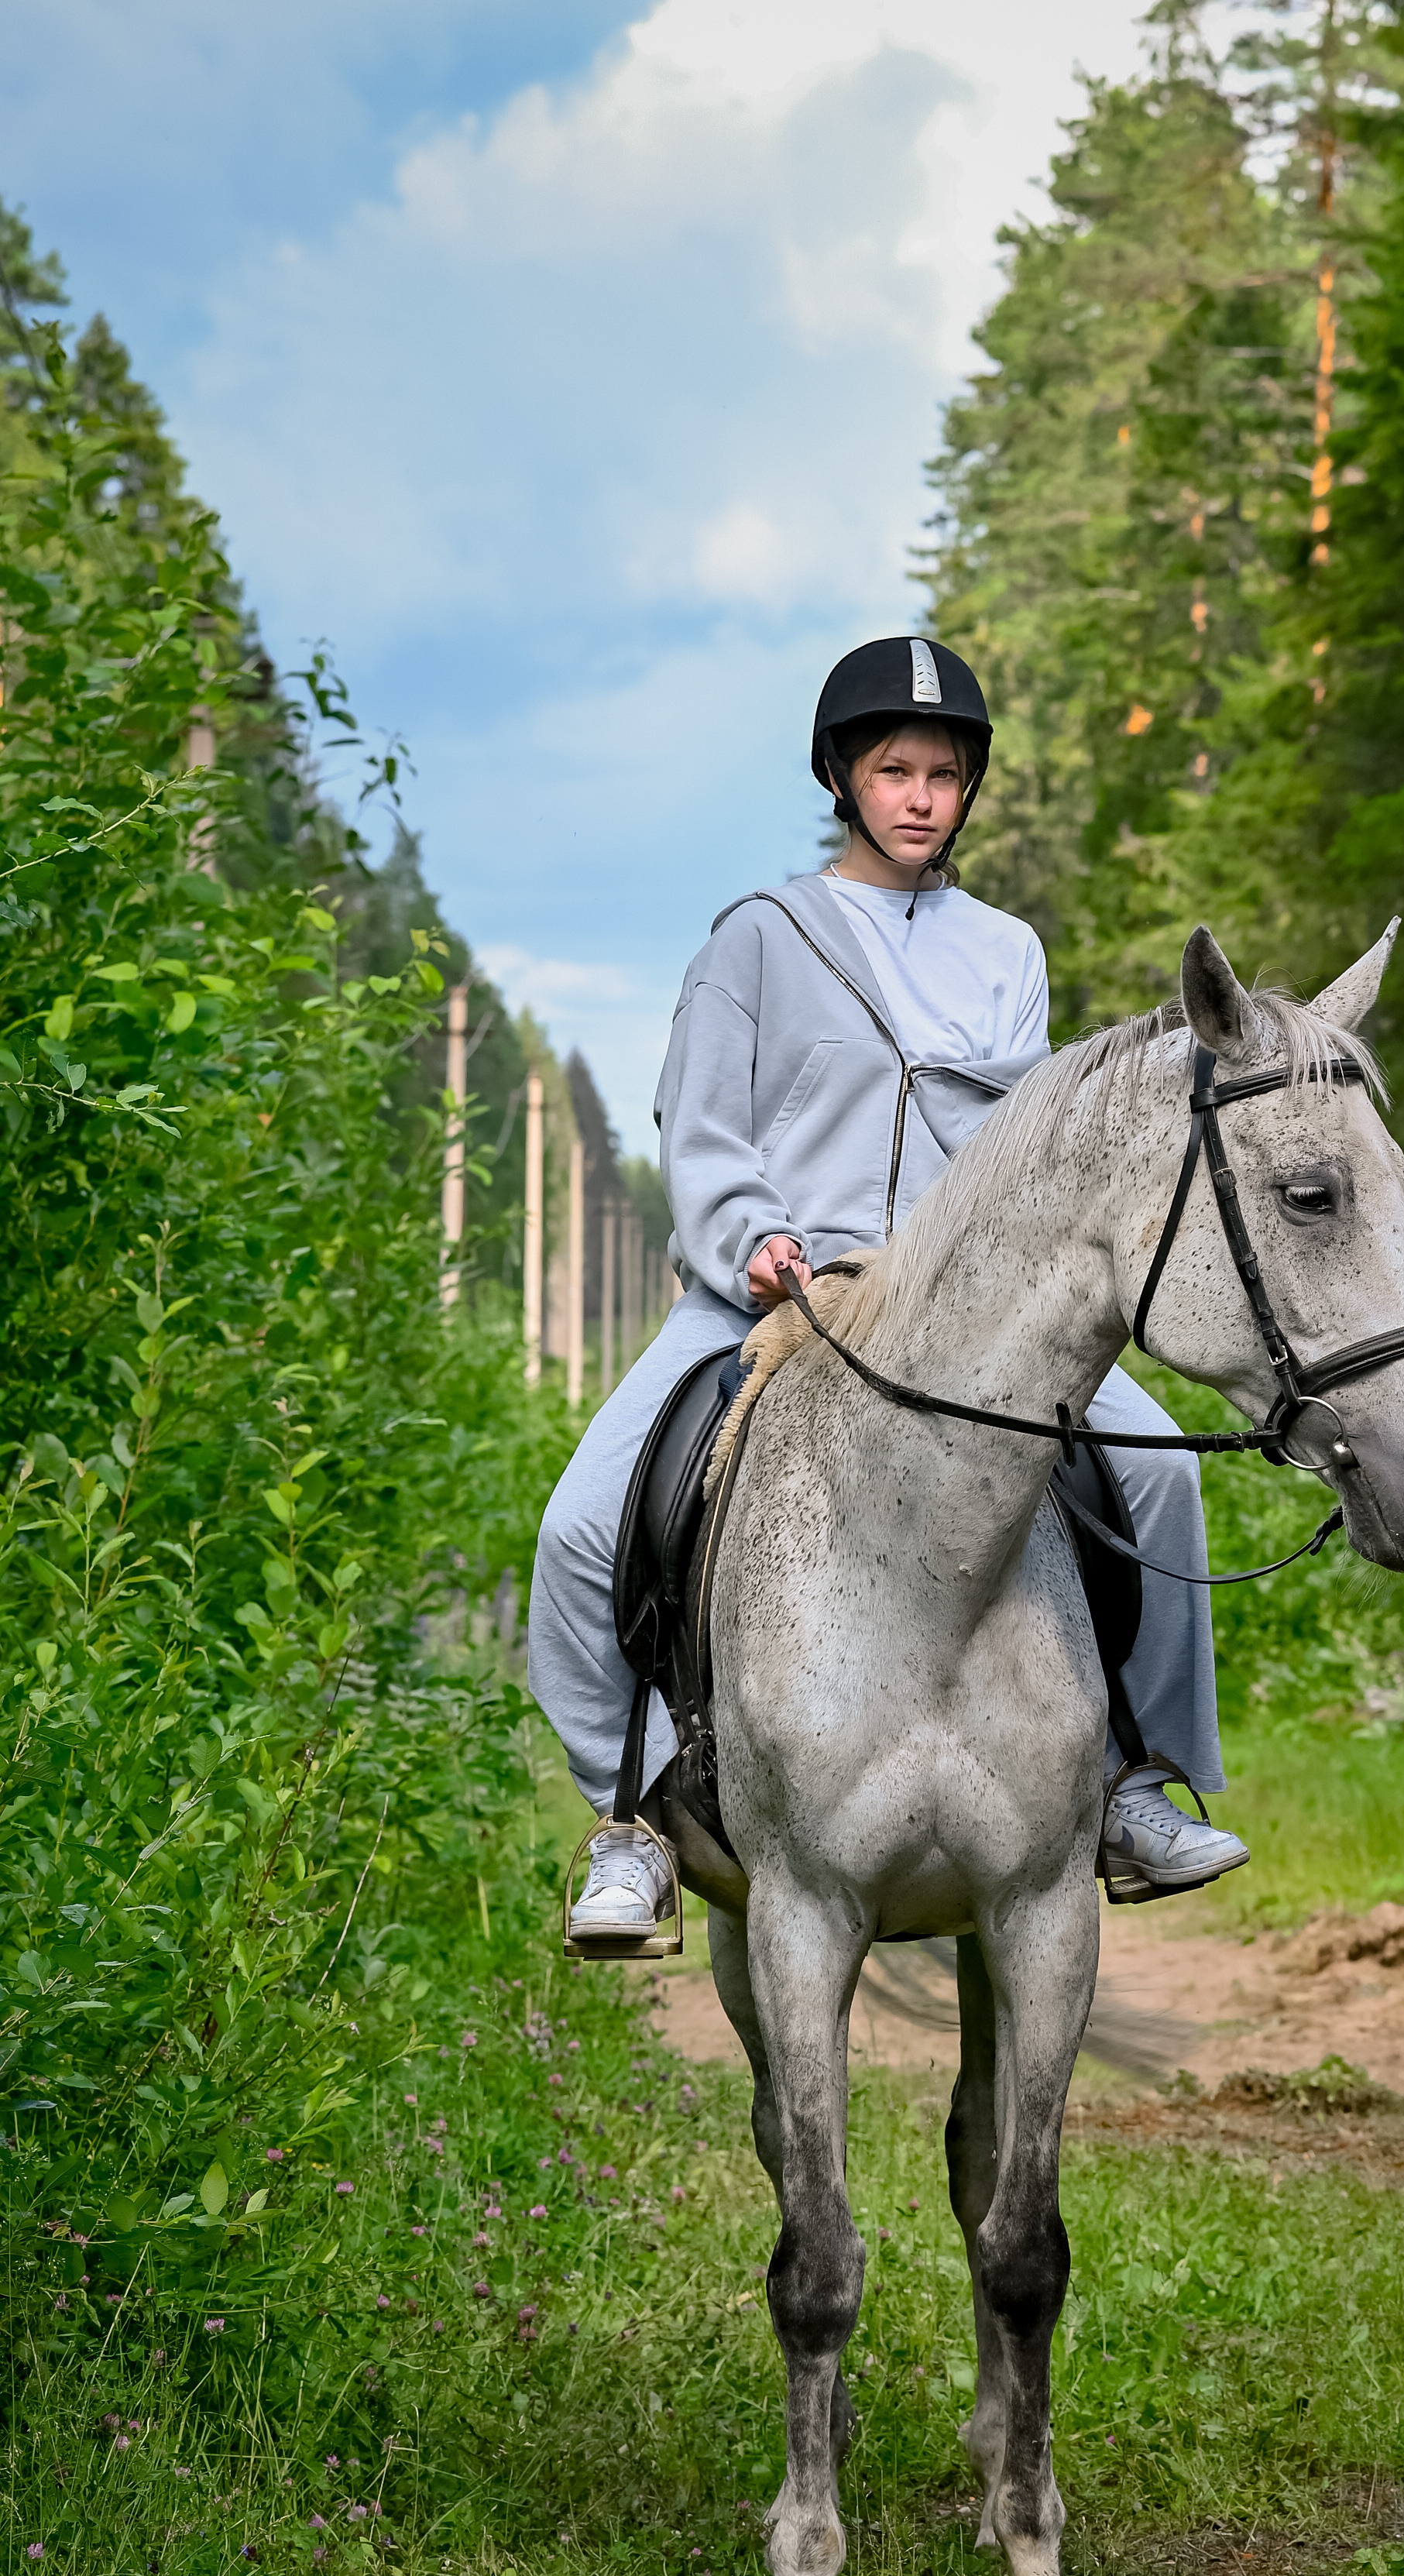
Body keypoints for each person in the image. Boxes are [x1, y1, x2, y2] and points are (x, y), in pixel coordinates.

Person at [527, 635, 1249, 1935]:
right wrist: (749, 1235)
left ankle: (1130, 1780)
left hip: (958, 1323)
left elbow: (1017, 1158)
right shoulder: (759, 938)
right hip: (769, 1299)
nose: (920, 796)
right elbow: (700, 1125)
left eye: (943, 774)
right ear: (844, 779)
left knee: (1160, 1474)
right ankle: (631, 1813)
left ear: (969, 790)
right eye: (893, 769)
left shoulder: (1006, 953)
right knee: (581, 1530)